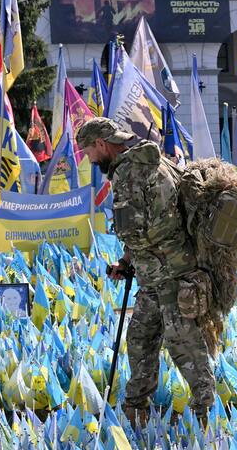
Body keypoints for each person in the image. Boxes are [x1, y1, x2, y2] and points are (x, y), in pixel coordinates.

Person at [77, 117, 215, 425]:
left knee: (184, 345)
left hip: (172, 273)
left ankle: (206, 413)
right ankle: (136, 408)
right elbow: (147, 224)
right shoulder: (143, 163)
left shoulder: (130, 171)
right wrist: (127, 263)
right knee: (140, 337)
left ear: (102, 144)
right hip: (155, 273)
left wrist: (133, 252)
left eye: (88, 151)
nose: (88, 158)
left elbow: (141, 229)